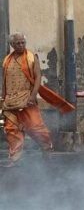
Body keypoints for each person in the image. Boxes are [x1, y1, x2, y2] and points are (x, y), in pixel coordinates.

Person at [2, 33, 60, 162]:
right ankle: (15, 158)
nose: (21, 45)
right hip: (10, 101)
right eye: (18, 43)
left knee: (36, 127)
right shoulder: (7, 60)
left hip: (27, 99)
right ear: (12, 45)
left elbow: (38, 76)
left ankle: (47, 150)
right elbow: (5, 80)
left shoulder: (31, 57)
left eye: (23, 42)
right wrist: (3, 98)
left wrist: (33, 96)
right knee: (12, 129)